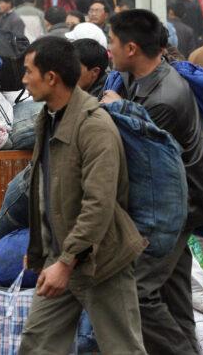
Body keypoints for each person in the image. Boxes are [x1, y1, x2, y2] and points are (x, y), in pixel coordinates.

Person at [18, 36, 147, 355]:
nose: (23, 80)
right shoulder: (47, 118)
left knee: (123, 349)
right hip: (62, 255)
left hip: (102, 260)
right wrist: (44, 250)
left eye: (28, 71)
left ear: (51, 78)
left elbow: (98, 204)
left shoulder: (94, 127)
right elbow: (46, 189)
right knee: (37, 345)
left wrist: (67, 260)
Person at [103, 9, 203, 355]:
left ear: (131, 48)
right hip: (180, 205)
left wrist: (120, 110)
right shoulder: (144, 82)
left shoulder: (163, 96)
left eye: (112, 42)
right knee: (173, 295)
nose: (109, 49)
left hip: (171, 209)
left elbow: (146, 156)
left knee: (137, 292)